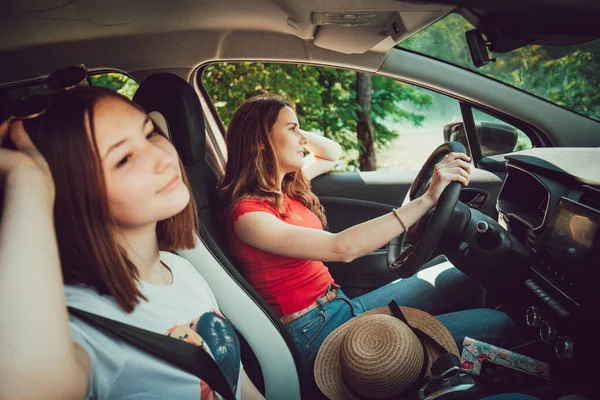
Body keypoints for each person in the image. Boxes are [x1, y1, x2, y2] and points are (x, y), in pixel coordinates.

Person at [0, 83, 264, 400]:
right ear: (73, 195)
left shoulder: (181, 271)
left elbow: (237, 385)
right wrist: (27, 177)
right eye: (124, 158)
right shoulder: (78, 328)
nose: (164, 156)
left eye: (150, 133)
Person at [219, 94, 517, 373]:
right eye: (293, 129)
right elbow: (341, 248)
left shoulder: (283, 189)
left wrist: (288, 126)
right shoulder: (249, 217)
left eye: (301, 130)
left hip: (340, 305)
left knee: (464, 271)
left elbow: (330, 154)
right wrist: (426, 199)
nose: (302, 138)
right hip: (318, 334)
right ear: (260, 140)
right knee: (498, 324)